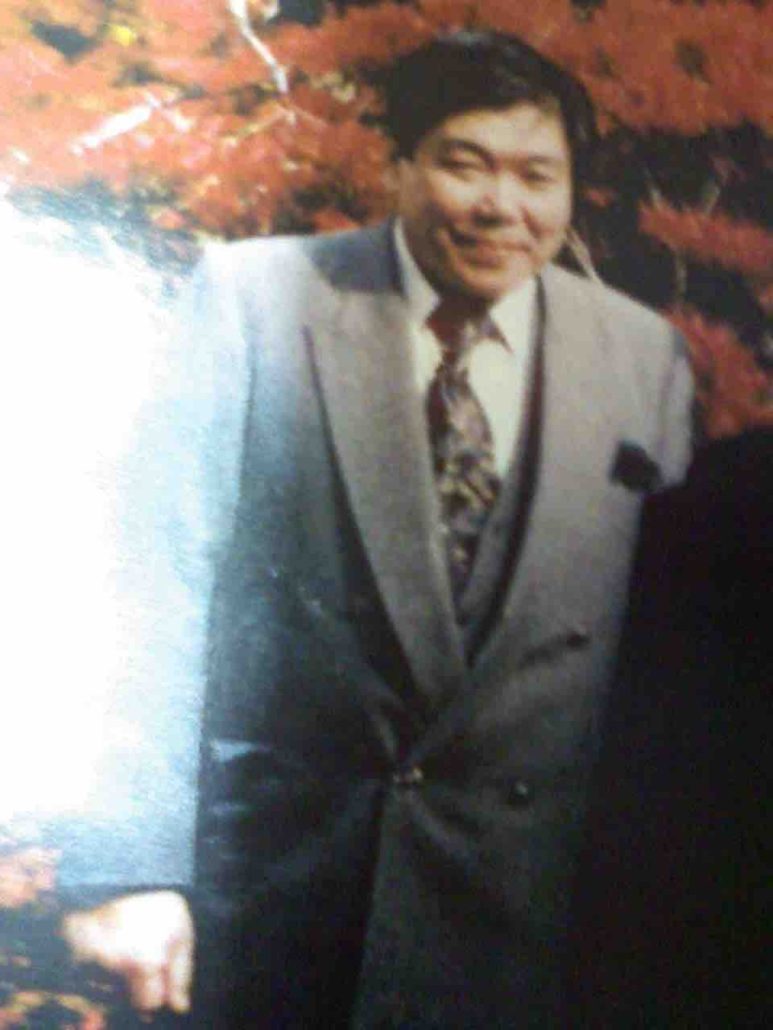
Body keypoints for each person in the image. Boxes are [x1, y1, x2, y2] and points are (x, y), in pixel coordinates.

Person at [60, 31, 695, 1027]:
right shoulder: (260, 301)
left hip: (526, 926)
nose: (501, 205)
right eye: (464, 163)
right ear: (395, 164)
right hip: (286, 896)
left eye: (537, 175)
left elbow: (674, 669)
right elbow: (157, 579)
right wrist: (132, 865)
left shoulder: (640, 357)